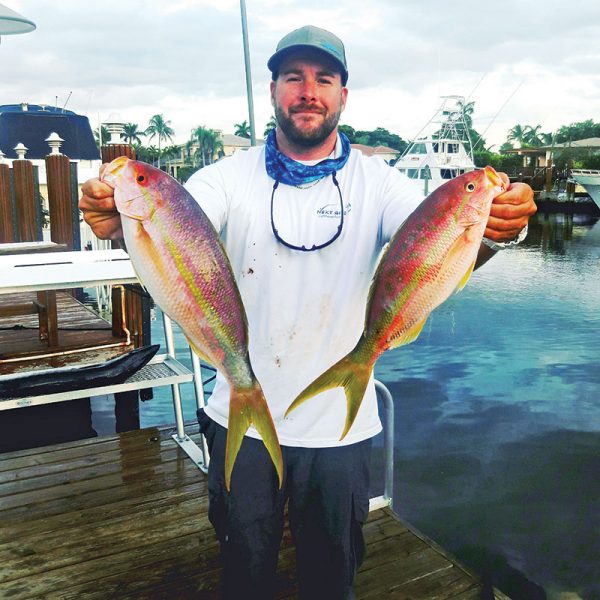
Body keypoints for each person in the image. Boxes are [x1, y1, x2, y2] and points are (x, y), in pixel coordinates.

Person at [80, 25, 536, 600]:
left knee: (331, 575)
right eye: (293, 77)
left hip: (339, 427)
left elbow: (433, 247)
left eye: (324, 78)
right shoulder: (225, 177)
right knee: (244, 569)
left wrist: (497, 232)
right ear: (273, 90)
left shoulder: (381, 183)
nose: (308, 90)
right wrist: (119, 222)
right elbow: (178, 237)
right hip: (237, 415)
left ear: (344, 95)